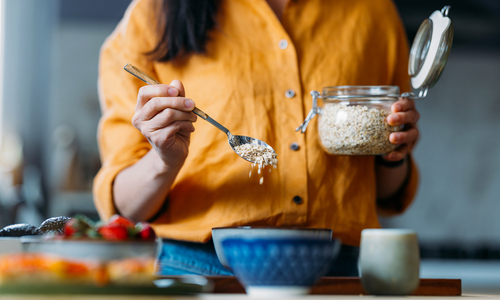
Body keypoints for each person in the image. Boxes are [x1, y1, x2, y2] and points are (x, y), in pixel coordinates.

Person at [94, 0, 420, 276]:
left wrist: (394, 151)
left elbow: (386, 194)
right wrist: (164, 160)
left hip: (336, 271)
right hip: (198, 268)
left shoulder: (373, 11)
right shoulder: (154, 13)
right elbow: (126, 209)